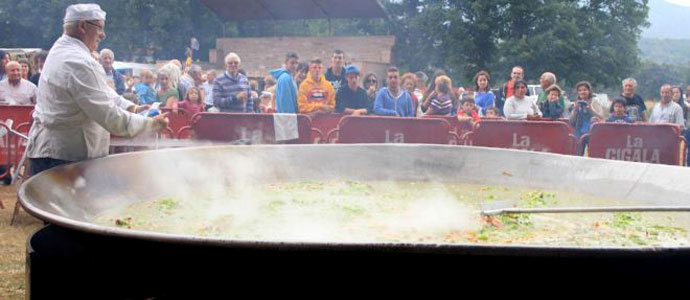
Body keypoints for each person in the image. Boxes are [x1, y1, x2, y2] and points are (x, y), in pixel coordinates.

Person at [27, 3, 167, 175]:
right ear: (82, 26)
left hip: (55, 154)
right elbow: (110, 117)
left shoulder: (64, 50)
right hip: (63, 158)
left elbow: (100, 91)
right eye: (100, 28)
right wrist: (151, 124)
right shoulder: (78, 61)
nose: (103, 34)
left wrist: (132, 107)